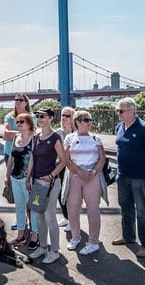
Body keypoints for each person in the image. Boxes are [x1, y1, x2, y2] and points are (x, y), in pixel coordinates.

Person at [111, 98, 145, 258]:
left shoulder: (144, 129)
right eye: (117, 111)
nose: (119, 114)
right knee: (126, 208)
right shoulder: (120, 126)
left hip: (139, 177)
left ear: (132, 111)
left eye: (121, 111)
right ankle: (128, 236)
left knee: (143, 211)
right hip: (122, 175)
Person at [62, 110, 107, 256]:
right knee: (73, 208)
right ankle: (75, 237)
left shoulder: (96, 138)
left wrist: (93, 172)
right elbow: (66, 159)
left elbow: (102, 158)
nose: (90, 123)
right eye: (86, 120)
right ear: (78, 122)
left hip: (92, 175)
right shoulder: (69, 138)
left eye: (90, 120)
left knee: (93, 209)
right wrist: (79, 172)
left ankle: (93, 242)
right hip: (75, 175)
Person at [26, 107, 67, 264]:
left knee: (50, 216)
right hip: (37, 183)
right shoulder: (36, 137)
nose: (39, 118)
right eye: (38, 116)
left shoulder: (55, 138)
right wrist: (28, 178)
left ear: (50, 118)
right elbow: (32, 159)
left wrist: (51, 176)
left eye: (42, 116)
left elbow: (64, 161)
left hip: (49, 184)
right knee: (39, 216)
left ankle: (54, 251)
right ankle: (43, 247)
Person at [6, 112, 38, 244]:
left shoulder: (34, 138)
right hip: (15, 177)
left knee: (32, 207)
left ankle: (34, 235)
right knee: (19, 207)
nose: (18, 124)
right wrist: (7, 175)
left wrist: (28, 178)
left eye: (21, 122)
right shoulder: (16, 138)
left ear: (29, 123)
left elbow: (32, 159)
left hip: (27, 179)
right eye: (17, 122)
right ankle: (20, 235)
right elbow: (11, 158)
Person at [3, 93, 31, 230]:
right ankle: (20, 218)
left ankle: (29, 218)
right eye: (15, 100)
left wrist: (16, 133)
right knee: (15, 190)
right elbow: (5, 134)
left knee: (28, 189)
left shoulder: (32, 117)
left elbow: (34, 133)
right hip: (10, 154)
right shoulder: (9, 116)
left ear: (26, 102)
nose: (18, 102)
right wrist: (23, 132)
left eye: (21, 100)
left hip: (27, 157)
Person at [54, 107, 75, 231]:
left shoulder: (76, 133)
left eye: (67, 116)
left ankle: (73, 221)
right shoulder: (58, 133)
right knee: (60, 193)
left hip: (72, 167)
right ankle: (66, 217)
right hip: (60, 167)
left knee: (71, 195)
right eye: (62, 115)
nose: (64, 118)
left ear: (72, 118)